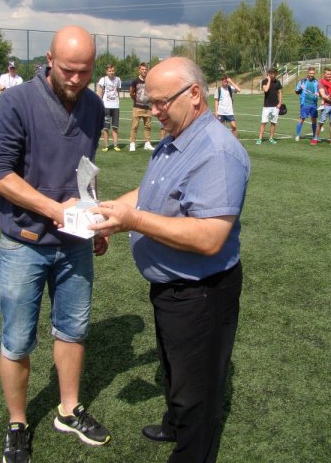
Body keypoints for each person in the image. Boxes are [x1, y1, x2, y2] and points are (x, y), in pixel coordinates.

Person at [89, 57, 250, 463]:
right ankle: (176, 423)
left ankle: (191, 450)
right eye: (150, 101)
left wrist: (133, 221)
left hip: (201, 293)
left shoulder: (216, 151)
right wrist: (107, 216)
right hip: (171, 287)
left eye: (162, 102)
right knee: (175, 369)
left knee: (197, 390)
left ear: (194, 94)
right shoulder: (176, 136)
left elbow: (210, 237)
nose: (154, 110)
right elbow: (149, 192)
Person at [0, 26, 111, 463]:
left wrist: (92, 219)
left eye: (85, 71)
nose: (76, 79)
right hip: (24, 242)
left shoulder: (94, 105)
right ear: (49, 60)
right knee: (18, 339)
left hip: (75, 242)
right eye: (68, 69)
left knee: (74, 330)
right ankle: (17, 422)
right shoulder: (16, 102)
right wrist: (56, 210)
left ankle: (69, 410)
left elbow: (85, 169)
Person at [129, 62, 154, 151]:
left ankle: (147, 143)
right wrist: (137, 100)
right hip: (137, 107)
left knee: (148, 126)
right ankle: (132, 143)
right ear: (139, 70)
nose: (144, 71)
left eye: (146, 69)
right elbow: (131, 93)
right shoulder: (135, 81)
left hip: (148, 107)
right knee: (134, 126)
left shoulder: (150, 80)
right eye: (142, 69)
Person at [310, 67, 331, 146]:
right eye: (328, 74)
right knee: (320, 122)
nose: (329, 76)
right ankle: (315, 138)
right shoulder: (321, 83)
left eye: (330, 74)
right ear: (324, 74)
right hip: (326, 106)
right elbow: (323, 95)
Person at [97, 63, 121, 151]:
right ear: (106, 72)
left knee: (115, 127)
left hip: (115, 106)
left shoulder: (118, 80)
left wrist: (117, 101)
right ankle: (106, 146)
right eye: (110, 71)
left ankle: (115, 145)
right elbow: (99, 92)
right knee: (106, 128)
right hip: (106, 107)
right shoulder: (103, 80)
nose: (111, 72)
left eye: (113, 71)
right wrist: (99, 103)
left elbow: (118, 91)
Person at [256, 68, 282, 145]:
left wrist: (280, 103)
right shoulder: (265, 81)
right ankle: (260, 138)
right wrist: (269, 81)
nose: (273, 75)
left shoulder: (278, 82)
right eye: (271, 74)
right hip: (267, 106)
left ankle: (271, 138)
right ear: (269, 74)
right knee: (263, 122)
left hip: (275, 106)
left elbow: (280, 92)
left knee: (273, 123)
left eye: (274, 74)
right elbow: (266, 90)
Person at [295, 66, 319, 141]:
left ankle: (314, 136)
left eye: (313, 73)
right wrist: (300, 88)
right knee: (301, 119)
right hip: (305, 104)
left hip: (314, 104)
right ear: (308, 73)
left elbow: (319, 91)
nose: (312, 75)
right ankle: (297, 135)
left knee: (314, 119)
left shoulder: (316, 82)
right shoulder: (302, 81)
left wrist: (318, 94)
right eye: (310, 73)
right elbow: (297, 92)